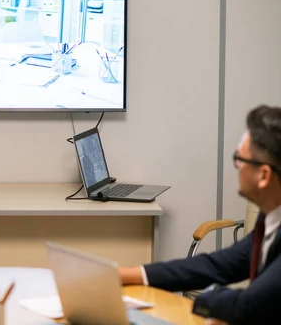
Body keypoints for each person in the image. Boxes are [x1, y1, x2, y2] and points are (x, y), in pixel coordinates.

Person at [119, 105, 281, 325]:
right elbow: (217, 266)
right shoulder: (270, 219)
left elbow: (247, 306)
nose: (237, 166)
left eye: (239, 158)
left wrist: (204, 300)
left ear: (264, 175)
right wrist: (130, 274)